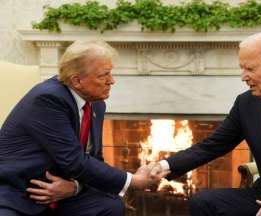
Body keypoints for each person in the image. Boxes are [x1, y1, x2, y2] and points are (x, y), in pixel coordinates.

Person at [150, 32, 261, 216]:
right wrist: (163, 166)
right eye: (242, 69)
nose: (243, 77)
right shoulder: (246, 104)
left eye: (250, 69)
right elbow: (211, 146)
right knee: (203, 202)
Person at [0, 40, 162, 216]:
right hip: (20, 192)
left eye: (111, 73)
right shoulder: (48, 99)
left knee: (110, 206)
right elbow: (74, 161)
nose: (112, 81)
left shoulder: (96, 104)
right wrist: (134, 181)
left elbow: (94, 158)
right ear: (77, 80)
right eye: (103, 75)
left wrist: (75, 188)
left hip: (61, 193)